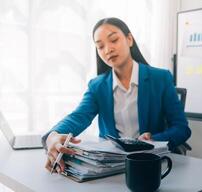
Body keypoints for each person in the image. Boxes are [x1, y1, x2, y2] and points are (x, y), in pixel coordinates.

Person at [42, 17, 191, 173]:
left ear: (129, 39)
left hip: (151, 165)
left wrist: (153, 140)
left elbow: (181, 128)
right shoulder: (97, 86)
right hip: (112, 167)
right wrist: (53, 135)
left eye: (113, 40)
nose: (108, 49)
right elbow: (79, 116)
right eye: (100, 46)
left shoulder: (160, 78)